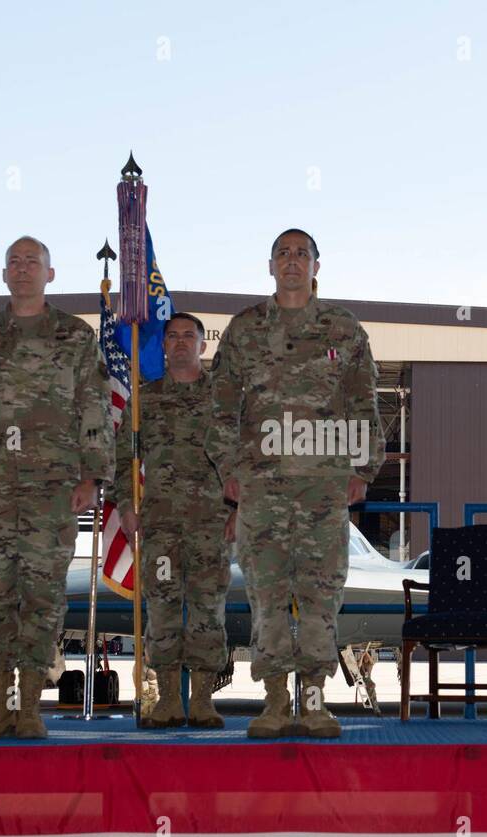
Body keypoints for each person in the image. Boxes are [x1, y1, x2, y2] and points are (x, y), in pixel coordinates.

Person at [0, 236, 114, 740]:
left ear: (50, 275)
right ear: (4, 273)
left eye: (33, 261)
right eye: (14, 261)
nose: (23, 268)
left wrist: (93, 476)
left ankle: (29, 706)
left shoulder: (75, 337)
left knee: (42, 597)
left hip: (51, 488)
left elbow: (94, 409)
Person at [207, 228, 385, 739]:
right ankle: (275, 699)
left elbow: (363, 404)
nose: (291, 261)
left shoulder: (343, 329)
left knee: (320, 592)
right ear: (270, 266)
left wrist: (361, 470)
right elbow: (220, 408)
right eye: (282, 254)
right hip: (261, 486)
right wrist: (229, 472)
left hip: (324, 486)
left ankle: (314, 698)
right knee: (265, 592)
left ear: (316, 266)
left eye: (301, 253)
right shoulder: (244, 330)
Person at [111, 312, 237, 729]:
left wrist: (238, 510)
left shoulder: (225, 398)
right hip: (161, 525)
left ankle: (201, 700)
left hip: (212, 525)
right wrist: (127, 506)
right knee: (163, 610)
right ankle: (167, 700)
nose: (181, 343)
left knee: (207, 610)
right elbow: (124, 461)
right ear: (162, 346)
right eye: (173, 337)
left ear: (204, 346)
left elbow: (246, 459)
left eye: (190, 336)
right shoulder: (143, 401)